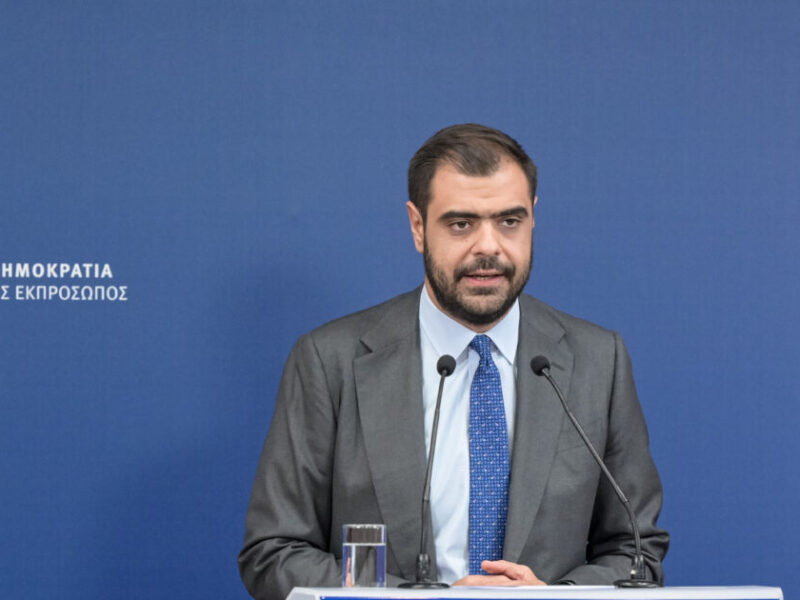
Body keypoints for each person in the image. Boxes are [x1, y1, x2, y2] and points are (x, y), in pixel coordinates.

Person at [238, 123, 669, 599]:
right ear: (418, 227)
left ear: (533, 218)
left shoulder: (598, 361)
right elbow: (274, 552)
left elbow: (637, 553)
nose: (488, 246)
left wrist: (554, 597)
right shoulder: (330, 361)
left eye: (510, 221)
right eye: (461, 224)